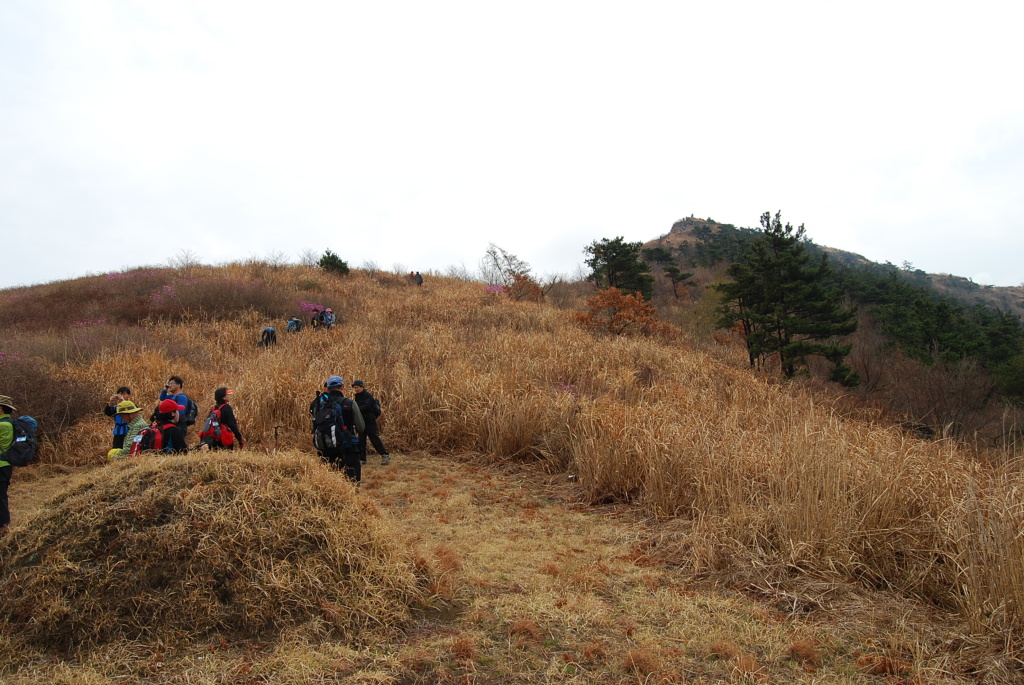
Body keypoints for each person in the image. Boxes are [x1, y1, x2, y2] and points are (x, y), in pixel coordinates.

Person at [310, 376, 364, 483]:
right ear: (342, 387)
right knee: (351, 482)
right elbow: (361, 427)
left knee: (329, 484)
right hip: (348, 449)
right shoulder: (350, 403)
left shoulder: (319, 405)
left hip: (326, 449)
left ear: (328, 389)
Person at [352, 380, 390, 465]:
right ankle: (362, 459)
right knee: (361, 440)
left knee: (374, 439)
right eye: (355, 388)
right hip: (361, 421)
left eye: (357, 387)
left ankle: (384, 455)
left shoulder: (368, 396)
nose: (356, 389)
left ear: (362, 387)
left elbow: (366, 407)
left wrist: (355, 408)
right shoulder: (357, 397)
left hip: (370, 421)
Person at [0, 394, 18, 531]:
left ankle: (4, 526)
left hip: (1, 466)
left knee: (1, 497)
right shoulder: (7, 423)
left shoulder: (4, 425)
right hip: (4, 466)